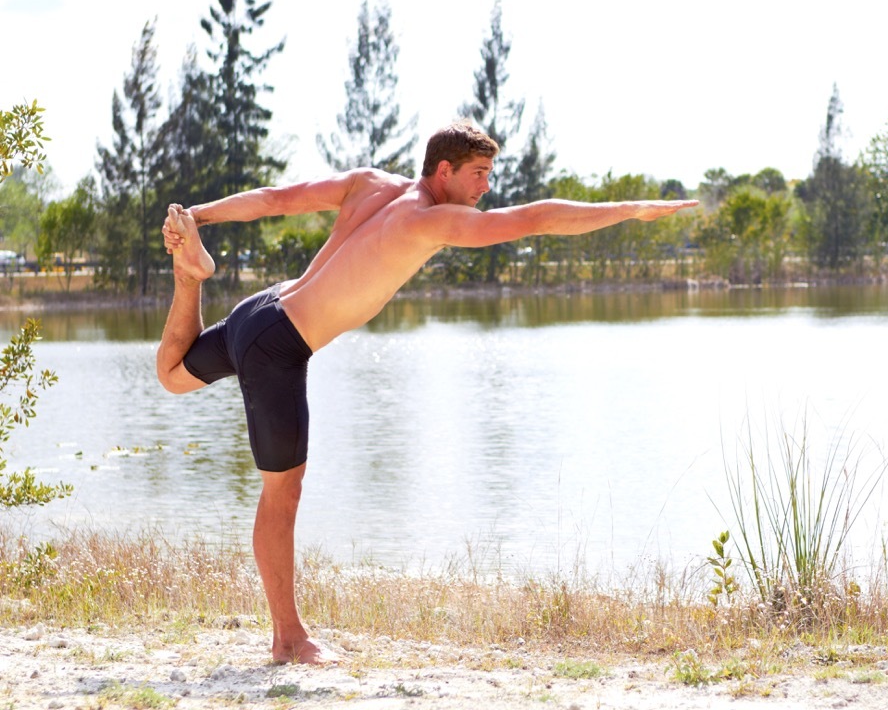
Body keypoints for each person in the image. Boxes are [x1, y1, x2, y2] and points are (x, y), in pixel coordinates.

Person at [157, 121, 696, 665]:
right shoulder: (430, 221)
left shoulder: (369, 182)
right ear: (444, 171)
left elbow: (276, 199)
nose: (486, 187)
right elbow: (535, 218)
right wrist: (629, 209)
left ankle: (190, 277)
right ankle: (289, 639)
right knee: (282, 494)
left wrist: (195, 215)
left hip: (261, 308)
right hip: (279, 345)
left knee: (173, 375)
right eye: (478, 174)